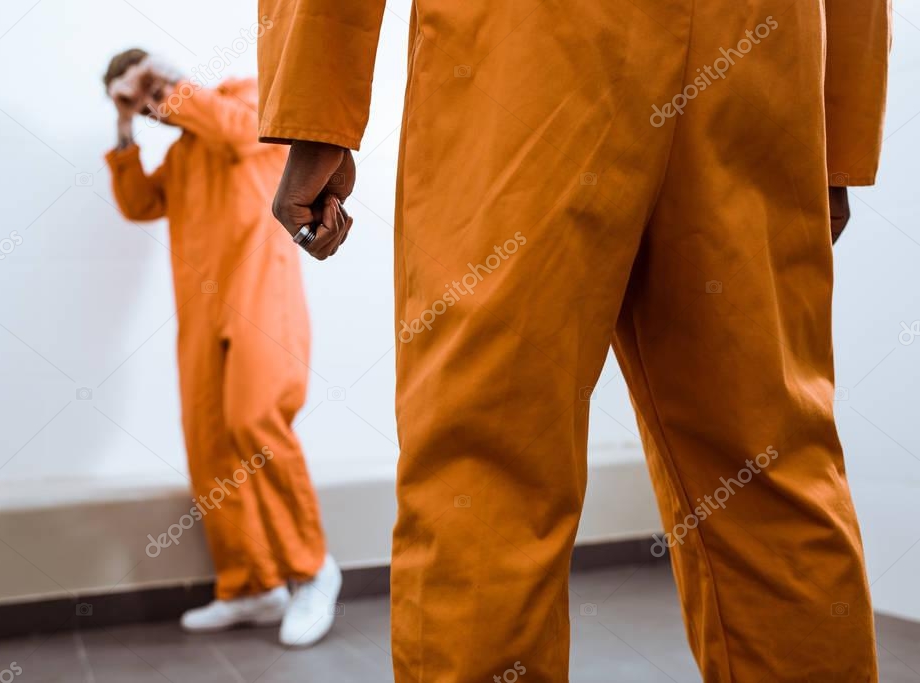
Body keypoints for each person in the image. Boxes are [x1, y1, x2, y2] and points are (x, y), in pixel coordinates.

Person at [257, 0, 890, 680]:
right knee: (769, 460)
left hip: (531, 49)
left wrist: (313, 113)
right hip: (761, 51)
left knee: (486, 461)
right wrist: (837, 131)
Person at [103, 48, 343, 647]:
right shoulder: (184, 154)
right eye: (143, 103)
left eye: (151, 94)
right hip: (201, 318)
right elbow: (138, 204)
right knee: (209, 443)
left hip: (262, 305)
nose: (156, 109)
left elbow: (243, 136)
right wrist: (125, 124)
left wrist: (167, 81)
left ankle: (313, 570)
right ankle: (251, 585)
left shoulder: (243, 101)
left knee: (256, 421)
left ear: (166, 76)